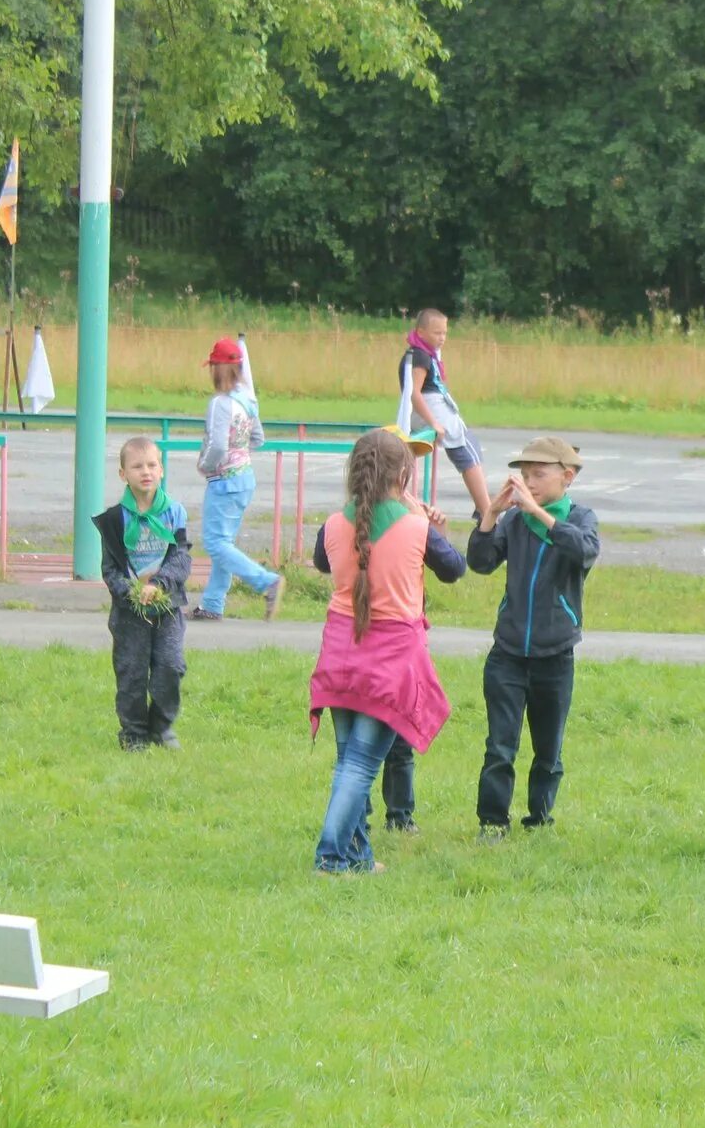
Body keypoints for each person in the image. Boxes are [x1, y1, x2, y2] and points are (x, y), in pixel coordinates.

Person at [307, 428, 465, 873]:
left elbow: (323, 562)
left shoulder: (335, 524)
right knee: (358, 767)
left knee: (347, 764)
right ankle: (331, 857)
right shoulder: (416, 527)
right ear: (404, 474)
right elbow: (455, 568)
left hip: (339, 654)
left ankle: (357, 857)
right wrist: (428, 522)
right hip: (390, 660)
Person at [465, 436, 601, 837]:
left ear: (568, 476)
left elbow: (584, 550)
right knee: (500, 746)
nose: (529, 482)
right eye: (524, 475)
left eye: (539, 475)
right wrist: (490, 513)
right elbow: (480, 562)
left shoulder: (580, 518)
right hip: (507, 653)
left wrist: (538, 513)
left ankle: (539, 818)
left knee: (548, 750)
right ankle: (492, 821)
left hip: (555, 655)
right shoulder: (514, 521)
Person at [93, 436, 191, 751]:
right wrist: (131, 592)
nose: (145, 472)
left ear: (161, 470)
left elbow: (181, 558)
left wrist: (160, 584)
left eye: (151, 465)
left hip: (167, 610)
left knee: (170, 666)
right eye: (137, 466)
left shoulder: (174, 513)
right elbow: (109, 570)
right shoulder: (113, 520)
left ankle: (161, 727)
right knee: (131, 672)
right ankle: (133, 733)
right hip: (129, 613)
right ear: (123, 474)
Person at [191, 338, 284, 622]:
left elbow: (217, 445)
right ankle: (213, 603)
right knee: (225, 542)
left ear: (217, 369)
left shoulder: (220, 404)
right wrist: (239, 452)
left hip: (224, 481)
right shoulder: (246, 400)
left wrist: (205, 465)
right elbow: (258, 438)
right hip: (244, 477)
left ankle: (266, 582)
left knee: (216, 543)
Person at [403, 308, 491, 520]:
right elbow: (415, 393)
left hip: (434, 405)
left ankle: (484, 508)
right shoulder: (420, 355)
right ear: (421, 332)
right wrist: (433, 423)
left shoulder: (425, 353)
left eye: (444, 333)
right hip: (429, 407)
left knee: (470, 446)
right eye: (436, 333)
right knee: (464, 450)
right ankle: (486, 510)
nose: (442, 338)